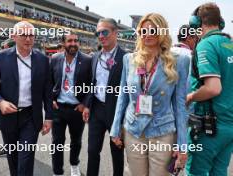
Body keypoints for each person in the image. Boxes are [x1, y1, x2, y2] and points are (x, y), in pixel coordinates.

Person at [110, 13, 189, 176]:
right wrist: (115, 128)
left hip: (162, 131)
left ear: (161, 32)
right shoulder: (129, 59)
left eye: (152, 31)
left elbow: (180, 105)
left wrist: (182, 144)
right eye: (143, 31)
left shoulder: (179, 61)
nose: (147, 35)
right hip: (134, 130)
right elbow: (122, 97)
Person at [0, 21, 53, 176]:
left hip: (30, 117)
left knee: (26, 160)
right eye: (23, 35)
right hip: (7, 116)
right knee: (13, 160)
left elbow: (47, 90)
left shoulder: (42, 60)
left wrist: (49, 117)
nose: (28, 39)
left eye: (31, 35)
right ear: (14, 36)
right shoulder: (0, 57)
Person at [186, 3, 233, 176]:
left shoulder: (206, 44)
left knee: (196, 171)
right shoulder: (229, 43)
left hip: (210, 126)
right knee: (219, 172)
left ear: (197, 23)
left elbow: (213, 88)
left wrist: (191, 96)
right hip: (229, 126)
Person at [82, 18, 126, 176]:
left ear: (115, 33)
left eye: (105, 32)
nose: (101, 36)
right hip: (96, 109)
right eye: (98, 33)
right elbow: (91, 84)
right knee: (92, 150)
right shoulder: (95, 57)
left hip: (116, 111)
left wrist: (124, 118)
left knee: (117, 151)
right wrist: (87, 105)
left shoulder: (126, 58)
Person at [50, 32, 92, 176]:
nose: (73, 43)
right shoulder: (55, 59)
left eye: (76, 40)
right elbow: (48, 82)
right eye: (70, 41)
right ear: (63, 43)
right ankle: (57, 172)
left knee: (76, 141)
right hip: (58, 108)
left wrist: (84, 104)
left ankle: (74, 164)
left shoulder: (87, 60)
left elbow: (92, 85)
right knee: (57, 142)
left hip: (76, 109)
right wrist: (51, 99)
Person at [0, 38, 16, 158]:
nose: (1, 49)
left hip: (12, 101)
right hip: (3, 100)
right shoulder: (1, 59)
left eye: (3, 47)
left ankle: (10, 147)